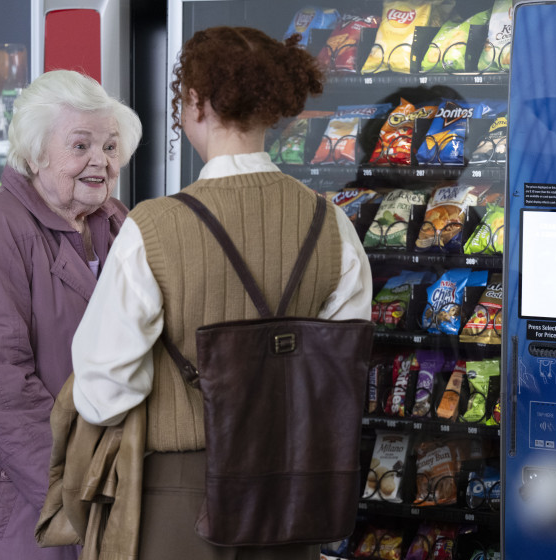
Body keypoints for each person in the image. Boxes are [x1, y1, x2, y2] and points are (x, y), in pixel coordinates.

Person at [68, 26, 372, 559]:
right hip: (292, 494)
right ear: (273, 104)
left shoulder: (154, 227)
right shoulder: (332, 225)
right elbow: (339, 370)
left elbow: (102, 390)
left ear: (195, 101)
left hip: (184, 498)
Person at [0, 69, 142, 559]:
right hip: (0, 489)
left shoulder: (118, 222)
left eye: (110, 145)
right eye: (80, 146)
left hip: (84, 480)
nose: (100, 160)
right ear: (36, 153)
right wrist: (74, 497)